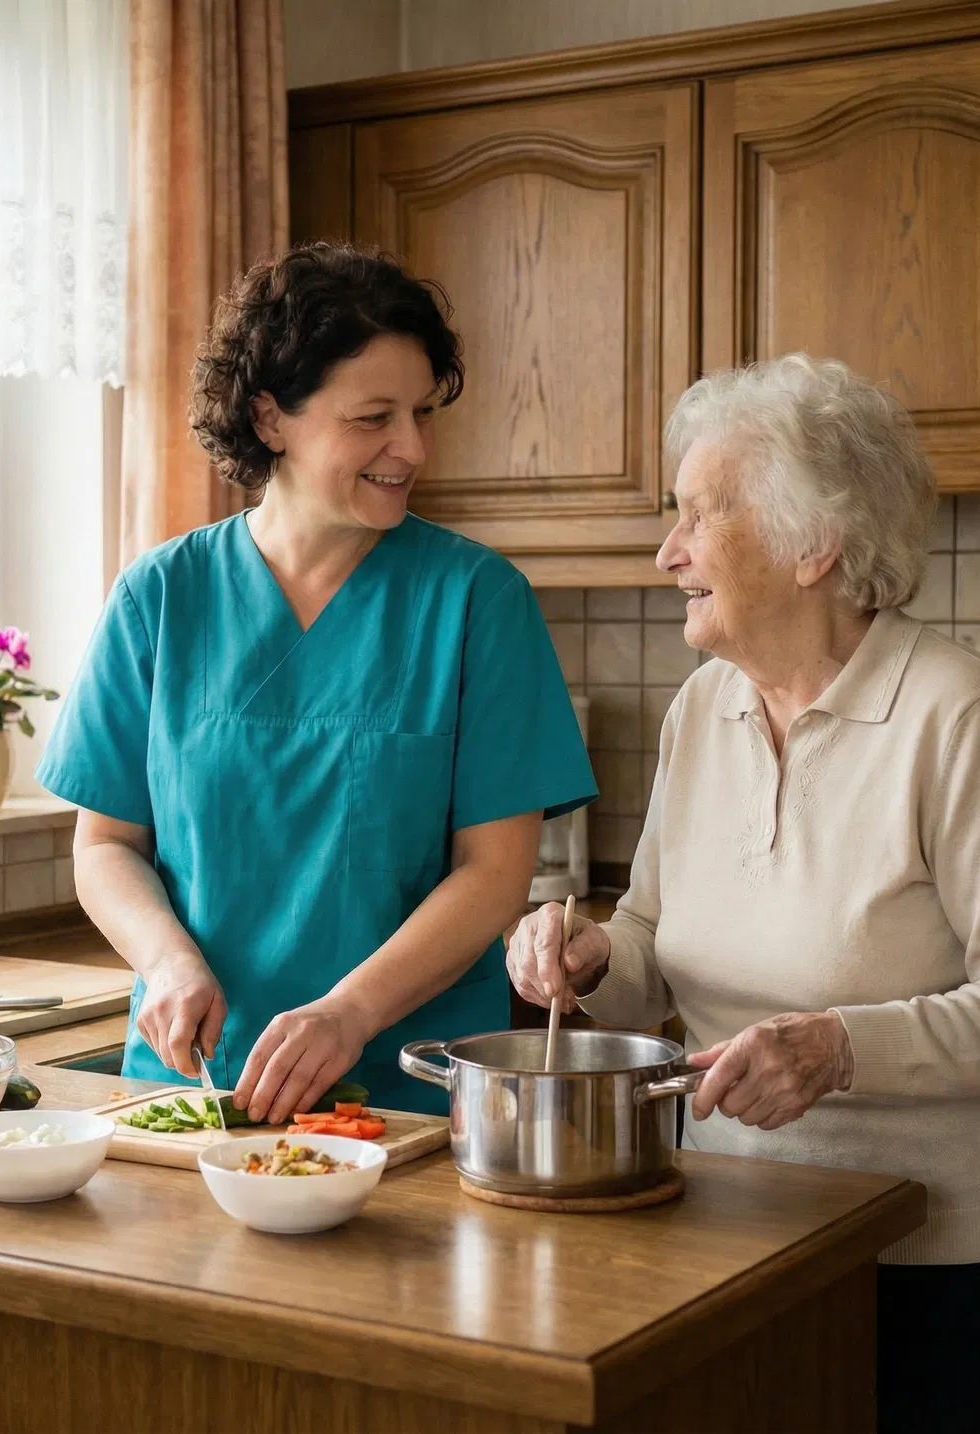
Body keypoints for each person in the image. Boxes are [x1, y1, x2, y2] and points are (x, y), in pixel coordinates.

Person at [506, 354, 980, 1434]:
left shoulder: (953, 715)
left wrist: (839, 1049)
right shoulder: (703, 708)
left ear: (813, 544)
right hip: (738, 1232)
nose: (666, 552)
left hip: (945, 1250)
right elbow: (647, 942)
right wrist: (591, 960)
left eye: (698, 518)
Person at [44, 242, 596, 1121]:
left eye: (420, 412)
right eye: (372, 417)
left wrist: (350, 1014)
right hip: (196, 1090)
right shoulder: (161, 596)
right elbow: (105, 845)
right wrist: (166, 960)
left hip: (409, 1097)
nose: (410, 447)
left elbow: (492, 876)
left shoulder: (477, 601)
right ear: (271, 419)